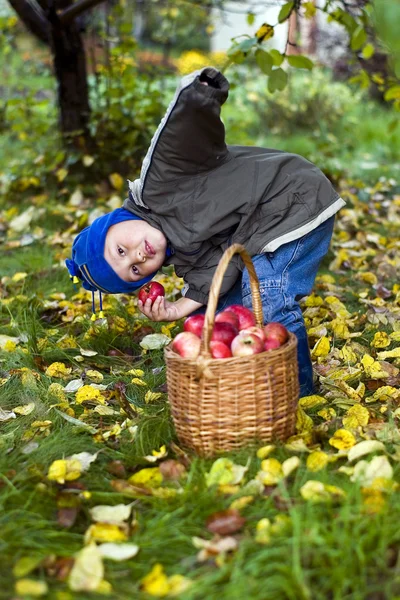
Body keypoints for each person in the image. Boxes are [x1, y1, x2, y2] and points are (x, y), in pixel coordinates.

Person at [66, 67, 345, 396]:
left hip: (292, 198)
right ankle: (222, 374)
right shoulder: (181, 254)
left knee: (270, 295)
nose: (138, 257)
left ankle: (295, 394)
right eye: (135, 270)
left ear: (114, 223)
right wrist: (177, 308)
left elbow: (176, 141)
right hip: (261, 225)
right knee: (221, 313)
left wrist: (198, 96)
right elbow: (214, 274)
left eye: (121, 250)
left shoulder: (160, 187)